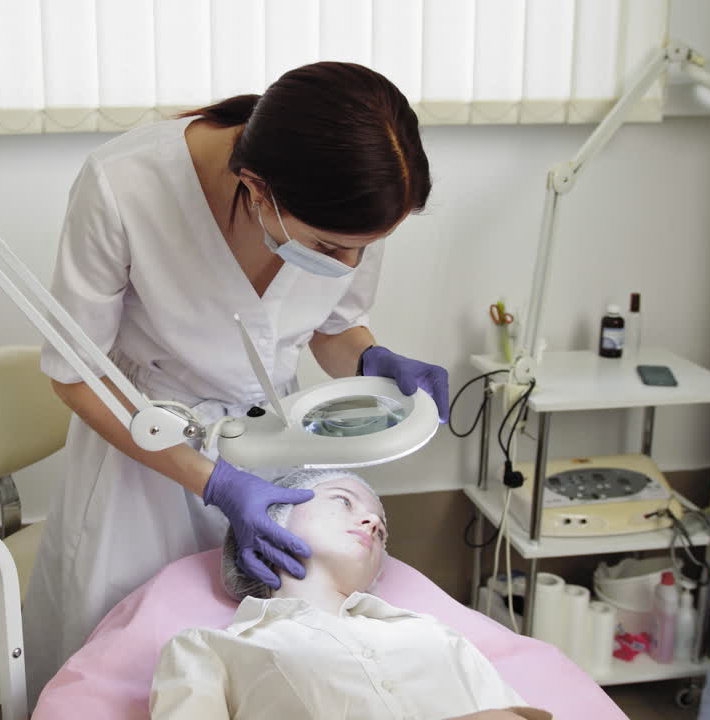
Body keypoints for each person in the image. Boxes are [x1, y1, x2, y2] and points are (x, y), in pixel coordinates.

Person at [24, 61, 450, 705]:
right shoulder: (123, 185)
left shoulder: (350, 201)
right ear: (256, 186)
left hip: (277, 455)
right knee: (129, 677)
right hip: (147, 460)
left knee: (270, 672)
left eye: (365, 248)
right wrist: (215, 481)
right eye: (333, 248)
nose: (349, 263)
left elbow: (333, 328)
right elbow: (75, 377)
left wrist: (372, 362)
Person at [150, 470, 548, 720]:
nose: (373, 521)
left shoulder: (432, 632)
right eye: (342, 500)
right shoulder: (207, 648)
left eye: (383, 530)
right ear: (272, 517)